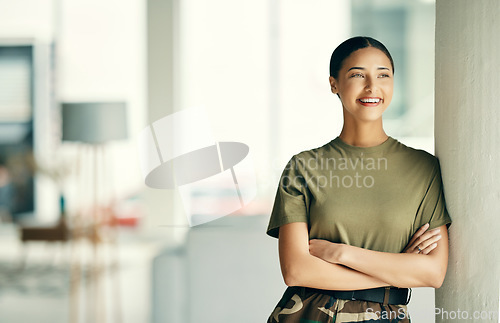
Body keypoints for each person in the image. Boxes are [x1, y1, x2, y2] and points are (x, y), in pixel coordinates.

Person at [266, 36, 452, 323]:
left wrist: (340, 253)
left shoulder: (423, 168)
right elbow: (296, 270)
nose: (372, 87)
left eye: (383, 75)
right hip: (308, 315)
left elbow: (432, 273)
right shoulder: (302, 167)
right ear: (334, 84)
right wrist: (397, 268)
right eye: (357, 75)